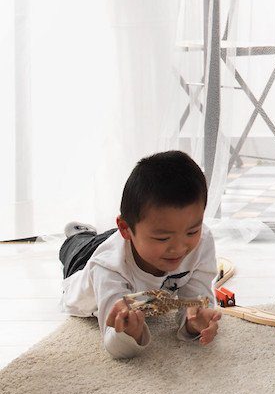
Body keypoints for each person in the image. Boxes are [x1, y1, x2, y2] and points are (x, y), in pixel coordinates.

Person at [60, 150, 222, 359]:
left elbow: (196, 302)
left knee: (136, 234)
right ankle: (78, 234)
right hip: (83, 262)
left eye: (191, 231)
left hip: (133, 241)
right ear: (125, 229)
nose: (179, 248)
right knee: (78, 245)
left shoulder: (201, 241)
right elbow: (113, 342)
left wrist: (194, 322)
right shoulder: (107, 268)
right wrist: (128, 334)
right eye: (163, 238)